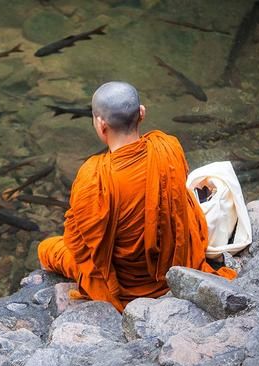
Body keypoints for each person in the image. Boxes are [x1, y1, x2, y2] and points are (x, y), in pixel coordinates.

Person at [38, 81, 236, 313]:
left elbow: (78, 246)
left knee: (46, 249)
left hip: (125, 285)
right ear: (142, 113)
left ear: (101, 125)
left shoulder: (92, 176)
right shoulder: (168, 147)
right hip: (179, 265)